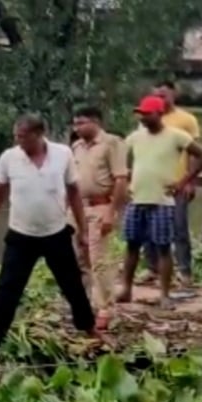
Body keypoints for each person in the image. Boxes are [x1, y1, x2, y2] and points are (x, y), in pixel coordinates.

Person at [0, 114, 96, 357]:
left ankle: (89, 328)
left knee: (72, 286)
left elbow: (74, 193)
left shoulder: (62, 154)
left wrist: (82, 231)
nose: (18, 141)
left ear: (39, 135)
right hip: (21, 235)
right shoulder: (9, 158)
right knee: (6, 291)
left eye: (23, 137)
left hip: (55, 232)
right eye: (16, 136)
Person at [119, 95, 202, 309]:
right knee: (132, 246)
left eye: (146, 114)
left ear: (159, 114)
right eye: (140, 114)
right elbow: (122, 158)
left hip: (162, 200)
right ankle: (126, 289)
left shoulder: (177, 136)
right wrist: (126, 180)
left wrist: (184, 180)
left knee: (163, 248)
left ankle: (165, 294)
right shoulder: (135, 137)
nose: (142, 118)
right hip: (137, 198)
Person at [138, 80, 202, 288]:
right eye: (157, 96)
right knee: (147, 229)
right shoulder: (147, 119)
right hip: (150, 185)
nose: (160, 99)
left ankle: (184, 271)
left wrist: (189, 181)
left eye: (164, 95)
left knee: (179, 228)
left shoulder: (186, 120)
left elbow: (194, 152)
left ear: (174, 94)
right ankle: (151, 267)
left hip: (176, 183)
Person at [70, 106, 128, 329]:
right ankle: (85, 304)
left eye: (82, 122)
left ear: (96, 121)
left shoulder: (111, 143)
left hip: (101, 206)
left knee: (99, 260)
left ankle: (105, 307)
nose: (78, 127)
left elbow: (121, 180)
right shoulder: (76, 146)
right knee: (79, 259)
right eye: (75, 123)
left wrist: (111, 213)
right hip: (78, 209)